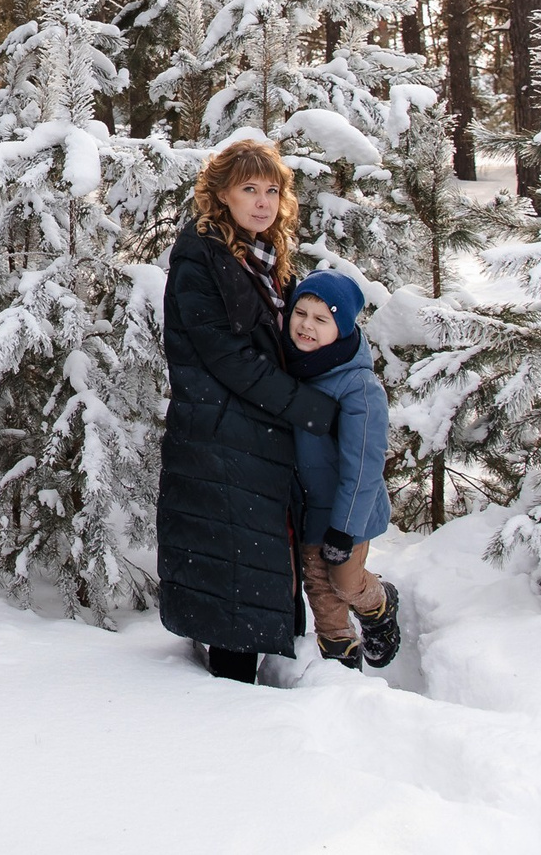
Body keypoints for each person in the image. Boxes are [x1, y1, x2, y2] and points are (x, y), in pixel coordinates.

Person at [155, 138, 335, 684]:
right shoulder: (200, 258)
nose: (262, 202)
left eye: (271, 190)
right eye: (249, 189)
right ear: (222, 195)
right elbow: (226, 356)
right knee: (234, 566)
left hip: (251, 432)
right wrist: (308, 408)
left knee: (250, 562)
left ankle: (246, 681)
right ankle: (230, 703)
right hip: (219, 435)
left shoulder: (260, 257)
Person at [283, 270, 403, 669]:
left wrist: (344, 528)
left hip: (349, 511)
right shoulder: (291, 367)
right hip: (308, 509)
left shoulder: (358, 386)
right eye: (301, 313)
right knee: (319, 589)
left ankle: (379, 606)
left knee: (345, 582)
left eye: (322, 319)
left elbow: (364, 467)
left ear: (343, 326)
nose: (306, 325)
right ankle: (340, 662)